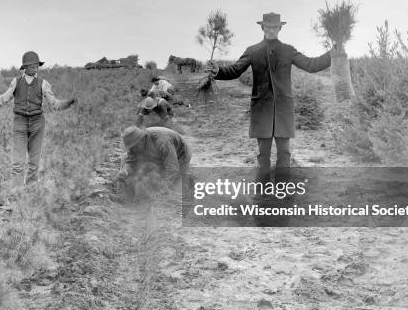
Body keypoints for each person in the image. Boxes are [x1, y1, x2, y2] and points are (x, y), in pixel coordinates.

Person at [206, 12, 331, 180]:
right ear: (262, 27)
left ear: (280, 28)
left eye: (275, 27)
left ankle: (283, 190)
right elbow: (235, 70)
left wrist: (333, 53)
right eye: (268, 27)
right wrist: (218, 71)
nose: (271, 30)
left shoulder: (288, 50)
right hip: (261, 110)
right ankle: (263, 193)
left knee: (284, 153)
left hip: (283, 111)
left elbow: (311, 65)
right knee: (263, 154)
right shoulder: (252, 51)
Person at [0, 51, 76, 186]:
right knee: (17, 163)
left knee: (34, 164)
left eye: (36, 66)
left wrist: (68, 103)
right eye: (32, 66)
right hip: (20, 123)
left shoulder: (43, 83)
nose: (35, 68)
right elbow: (3, 99)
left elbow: (54, 103)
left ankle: (30, 194)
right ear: (25, 68)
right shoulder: (16, 82)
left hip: (37, 124)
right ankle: (17, 196)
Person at [117, 126, 191, 197]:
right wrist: (125, 171)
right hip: (156, 152)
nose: (134, 150)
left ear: (142, 139)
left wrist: (161, 189)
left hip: (181, 154)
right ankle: (126, 192)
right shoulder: (135, 146)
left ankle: (187, 180)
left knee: (169, 187)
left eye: (135, 147)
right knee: (124, 157)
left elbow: (173, 169)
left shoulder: (162, 142)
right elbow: (131, 161)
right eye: (132, 147)